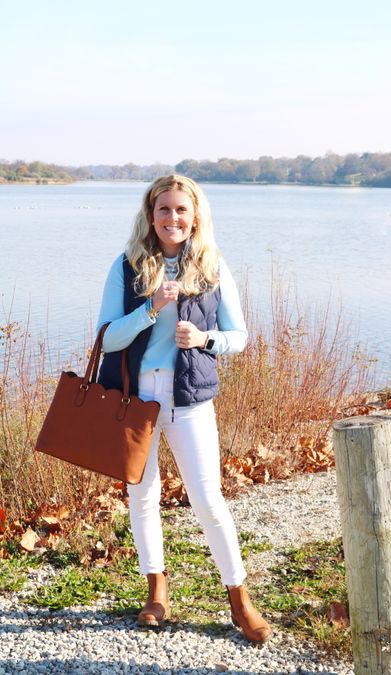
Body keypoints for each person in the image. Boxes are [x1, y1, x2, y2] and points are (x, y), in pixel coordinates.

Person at [96, 174, 271, 643]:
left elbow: (240, 336)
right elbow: (106, 337)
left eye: (181, 210)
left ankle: (239, 599)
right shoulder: (127, 265)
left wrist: (206, 339)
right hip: (137, 400)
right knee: (142, 496)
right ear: (150, 215)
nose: (172, 218)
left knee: (209, 500)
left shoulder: (212, 266)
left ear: (195, 217)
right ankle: (157, 591)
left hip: (191, 397)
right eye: (163, 209)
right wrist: (149, 309)